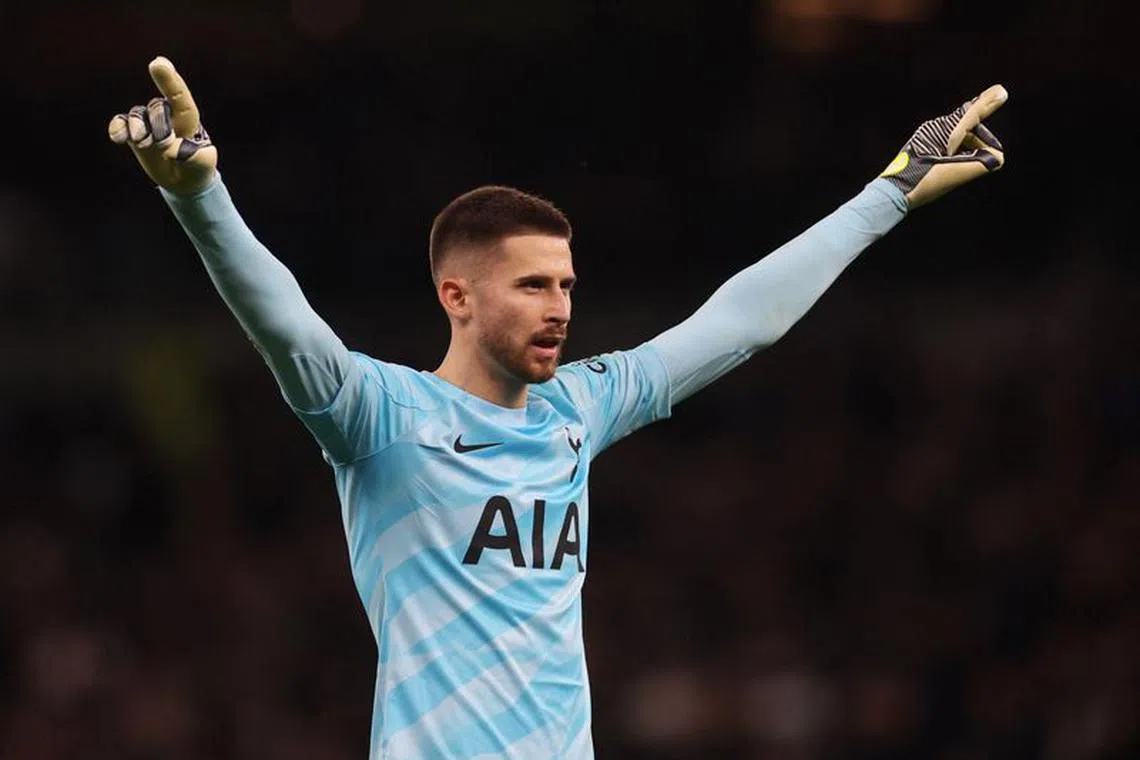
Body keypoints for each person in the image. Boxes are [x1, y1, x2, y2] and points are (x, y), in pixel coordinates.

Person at [108, 56, 1007, 760]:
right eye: (532, 284)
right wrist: (199, 198)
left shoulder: (579, 409)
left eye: (567, 283)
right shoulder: (381, 417)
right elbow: (288, 330)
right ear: (456, 296)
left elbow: (738, 323)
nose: (561, 306)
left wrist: (884, 196)